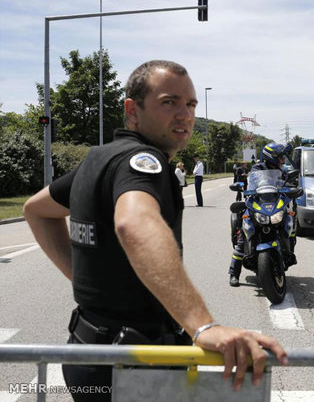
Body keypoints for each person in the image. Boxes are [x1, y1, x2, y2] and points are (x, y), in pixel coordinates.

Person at [22, 60, 287, 401]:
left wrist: (84, 278)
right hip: (133, 369)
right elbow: (135, 223)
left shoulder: (99, 158)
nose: (185, 114)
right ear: (132, 109)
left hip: (89, 352)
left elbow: (37, 211)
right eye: (169, 102)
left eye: (190, 104)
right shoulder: (142, 162)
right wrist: (203, 325)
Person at [229, 142, 296, 286]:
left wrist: (292, 187)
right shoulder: (257, 168)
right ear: (271, 157)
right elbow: (252, 184)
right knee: (244, 235)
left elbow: (287, 183)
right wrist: (245, 188)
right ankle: (234, 273)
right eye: (280, 157)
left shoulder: (281, 170)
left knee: (289, 222)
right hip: (258, 204)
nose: (282, 160)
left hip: (274, 204)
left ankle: (289, 252)